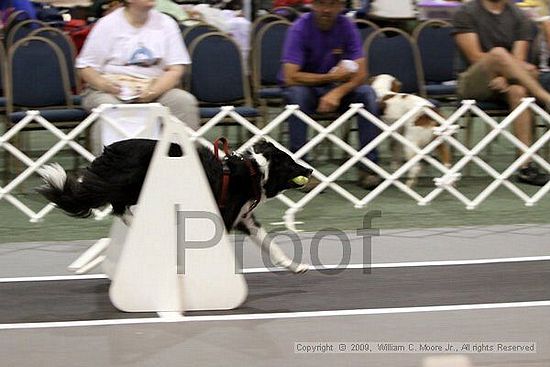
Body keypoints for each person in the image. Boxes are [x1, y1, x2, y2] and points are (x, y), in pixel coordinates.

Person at [280, 0, 381, 190]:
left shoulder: (347, 27)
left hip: (335, 89)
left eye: (332, 4)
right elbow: (290, 76)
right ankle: (299, 172)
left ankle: (368, 167)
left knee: (367, 93)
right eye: (321, 3)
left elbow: (361, 73)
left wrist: (337, 92)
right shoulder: (299, 28)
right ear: (313, 4)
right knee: (296, 96)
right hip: (305, 88)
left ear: (341, 6)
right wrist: (329, 78)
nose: (326, 9)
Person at [76, 0, 199, 154]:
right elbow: (85, 67)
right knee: (110, 107)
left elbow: (176, 68)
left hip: (155, 86)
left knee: (183, 101)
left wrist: (153, 91)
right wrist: (107, 86)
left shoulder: (167, 23)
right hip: (109, 88)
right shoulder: (107, 24)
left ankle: (182, 164)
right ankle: (107, 170)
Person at [452, 0, 550, 186]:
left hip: (507, 79)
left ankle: (525, 166)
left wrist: (506, 77)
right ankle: (545, 97)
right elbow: (475, 57)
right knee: (499, 54)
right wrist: (502, 69)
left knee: (518, 91)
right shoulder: (465, 12)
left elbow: (518, 60)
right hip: (472, 81)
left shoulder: (519, 16)